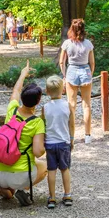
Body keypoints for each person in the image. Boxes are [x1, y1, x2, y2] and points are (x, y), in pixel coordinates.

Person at [0, 61, 47, 209]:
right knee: (45, 165)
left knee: (8, 193)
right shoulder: (37, 122)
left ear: (23, 99)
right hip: (20, 175)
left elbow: (16, 91)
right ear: (37, 102)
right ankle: (22, 190)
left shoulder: (12, 110)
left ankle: (0, 189)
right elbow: (38, 152)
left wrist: (23, 73)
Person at [59, 19, 95, 144]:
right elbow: (92, 62)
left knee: (71, 105)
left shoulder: (67, 43)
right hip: (85, 70)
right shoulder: (88, 44)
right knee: (87, 105)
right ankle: (88, 135)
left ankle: (71, 135)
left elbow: (62, 61)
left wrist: (64, 75)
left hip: (72, 71)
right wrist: (90, 73)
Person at [42, 75, 75, 209]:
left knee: (51, 170)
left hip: (50, 143)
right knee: (65, 169)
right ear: (63, 90)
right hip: (63, 142)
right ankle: (67, 194)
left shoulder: (45, 107)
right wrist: (72, 139)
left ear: (47, 91)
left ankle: (52, 197)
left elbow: (43, 124)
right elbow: (71, 125)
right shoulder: (67, 105)